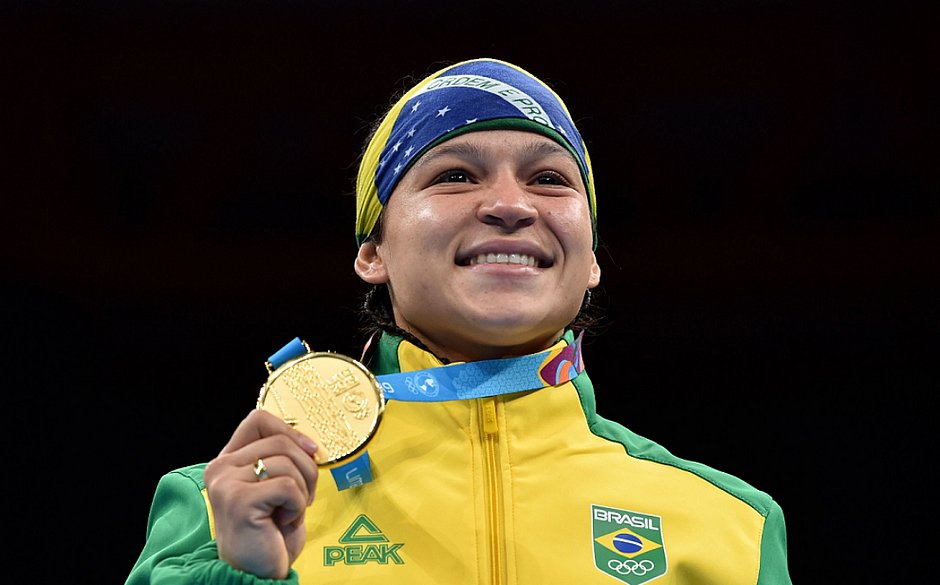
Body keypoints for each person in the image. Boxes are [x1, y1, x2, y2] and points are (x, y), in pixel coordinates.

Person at [126, 58, 791, 584]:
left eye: (551, 180)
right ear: (373, 251)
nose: (509, 203)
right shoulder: (229, 504)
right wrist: (240, 575)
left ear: (591, 258)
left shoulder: (733, 525)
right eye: (454, 174)